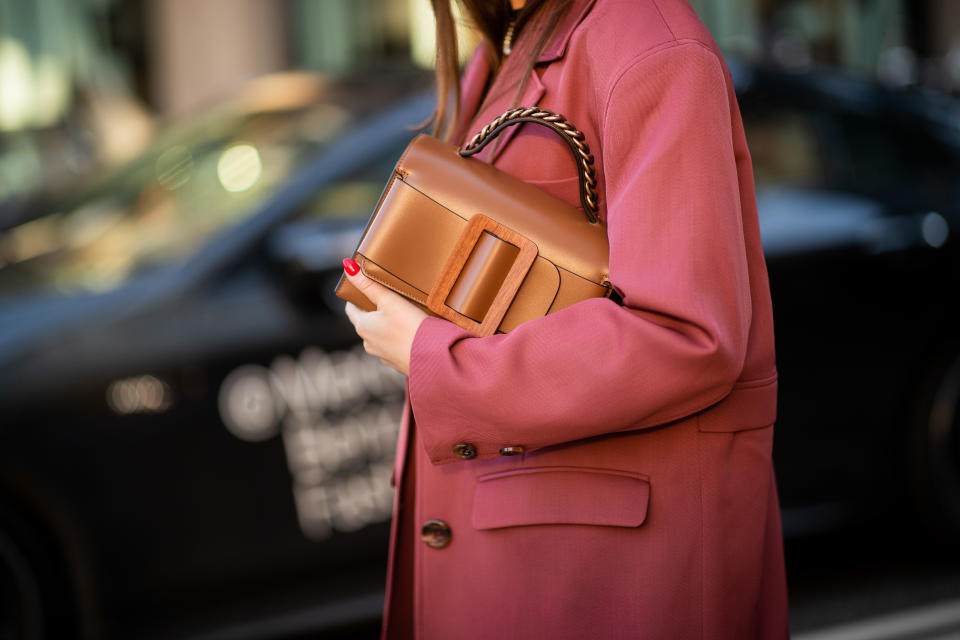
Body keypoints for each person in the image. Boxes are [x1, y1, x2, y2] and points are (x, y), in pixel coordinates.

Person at [341, 0, 789, 637]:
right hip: (525, 542)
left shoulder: (647, 45)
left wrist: (436, 358)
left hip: (603, 570)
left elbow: (686, 334)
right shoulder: (511, 41)